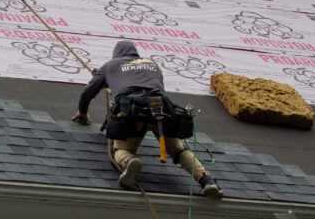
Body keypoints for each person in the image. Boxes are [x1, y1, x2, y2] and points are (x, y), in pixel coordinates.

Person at [71, 40, 223, 198]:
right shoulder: (152, 64)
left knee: (120, 149)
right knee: (178, 150)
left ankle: (130, 160)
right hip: (161, 108)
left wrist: (83, 112)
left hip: (133, 111)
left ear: (116, 54)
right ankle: (207, 181)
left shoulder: (111, 65)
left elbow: (88, 92)